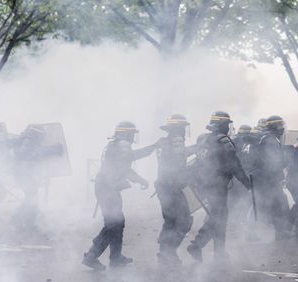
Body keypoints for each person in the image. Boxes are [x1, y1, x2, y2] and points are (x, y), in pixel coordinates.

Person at [82, 121, 157, 270]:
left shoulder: (115, 145)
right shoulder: (123, 145)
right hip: (108, 189)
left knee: (117, 223)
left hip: (106, 187)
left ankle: (116, 257)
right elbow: (126, 169)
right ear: (128, 134)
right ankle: (92, 256)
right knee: (113, 224)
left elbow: (131, 157)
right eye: (132, 134)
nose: (132, 137)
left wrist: (152, 148)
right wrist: (141, 180)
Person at [186, 111, 250, 262]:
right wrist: (247, 183)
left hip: (204, 183)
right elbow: (234, 165)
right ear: (223, 125)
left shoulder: (203, 138)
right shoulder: (224, 141)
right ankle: (197, 245)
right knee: (218, 218)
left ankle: (219, 252)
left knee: (219, 217)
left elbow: (196, 159)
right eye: (227, 124)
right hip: (217, 185)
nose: (229, 127)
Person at [155, 115, 195, 265]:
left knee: (170, 221)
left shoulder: (164, 142)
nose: (184, 131)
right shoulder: (176, 141)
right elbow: (179, 161)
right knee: (185, 220)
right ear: (178, 128)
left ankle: (163, 252)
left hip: (163, 186)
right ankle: (169, 252)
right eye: (183, 127)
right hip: (172, 188)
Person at [12, 124, 64, 231]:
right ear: (36, 135)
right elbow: (36, 153)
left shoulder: (28, 142)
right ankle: (25, 223)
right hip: (23, 175)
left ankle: (19, 220)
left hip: (25, 175)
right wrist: (53, 150)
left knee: (31, 199)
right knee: (32, 199)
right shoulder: (28, 142)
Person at [253, 115, 291, 240]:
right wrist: (286, 161)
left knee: (276, 205)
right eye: (280, 126)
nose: (282, 129)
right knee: (277, 205)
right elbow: (274, 162)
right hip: (269, 180)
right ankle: (279, 233)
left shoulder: (270, 139)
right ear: (274, 127)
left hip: (269, 180)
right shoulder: (271, 141)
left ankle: (280, 232)